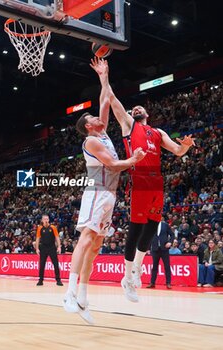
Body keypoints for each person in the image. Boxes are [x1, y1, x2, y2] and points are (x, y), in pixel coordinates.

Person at [91, 57, 195, 302]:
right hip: (138, 180)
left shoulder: (158, 133)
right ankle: (127, 277)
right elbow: (112, 99)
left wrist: (187, 146)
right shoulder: (128, 125)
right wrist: (103, 76)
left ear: (147, 113)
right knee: (136, 229)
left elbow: (178, 152)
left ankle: (136, 270)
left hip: (156, 182)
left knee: (151, 229)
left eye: (140, 109)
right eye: (133, 108)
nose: (136, 109)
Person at [63, 78, 146, 323]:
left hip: (109, 196)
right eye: (93, 119)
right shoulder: (91, 141)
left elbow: (105, 101)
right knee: (86, 239)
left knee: (97, 246)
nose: (99, 119)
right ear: (88, 126)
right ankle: (69, 292)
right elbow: (111, 164)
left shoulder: (104, 135)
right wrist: (133, 161)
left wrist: (103, 77)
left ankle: (83, 297)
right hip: (96, 192)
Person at [35, 214, 63, 286]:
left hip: (52, 248)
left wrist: (59, 247)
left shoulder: (53, 227)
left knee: (56, 264)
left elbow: (57, 237)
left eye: (47, 219)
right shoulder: (40, 228)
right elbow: (38, 239)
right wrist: (37, 248)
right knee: (42, 264)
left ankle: (58, 280)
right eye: (44, 219)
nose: (46, 220)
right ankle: (40, 280)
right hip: (43, 248)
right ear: (42, 220)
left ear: (49, 220)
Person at [146, 219, 174, 289]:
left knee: (167, 266)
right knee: (154, 267)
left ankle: (168, 283)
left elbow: (172, 234)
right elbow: (148, 237)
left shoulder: (165, 225)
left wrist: (170, 242)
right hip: (155, 249)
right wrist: (148, 248)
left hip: (164, 248)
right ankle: (152, 283)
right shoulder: (152, 226)